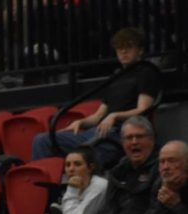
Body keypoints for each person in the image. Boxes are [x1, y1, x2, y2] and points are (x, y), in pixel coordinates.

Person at [31, 27, 161, 168]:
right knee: (42, 140)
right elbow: (98, 115)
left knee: (86, 155)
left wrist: (115, 116)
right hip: (97, 133)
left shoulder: (146, 72)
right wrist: (81, 122)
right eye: (119, 48)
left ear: (140, 50)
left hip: (120, 134)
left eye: (128, 47)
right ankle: (44, 187)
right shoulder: (116, 77)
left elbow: (143, 109)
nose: (123, 52)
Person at [70, 116, 159, 214]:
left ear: (152, 140)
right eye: (129, 138)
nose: (134, 142)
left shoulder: (162, 167)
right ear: (123, 143)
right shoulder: (118, 171)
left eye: (139, 136)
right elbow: (109, 213)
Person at [121, 140, 188, 214]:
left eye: (172, 161)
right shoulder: (160, 184)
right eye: (162, 162)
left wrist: (176, 205)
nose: (166, 167)